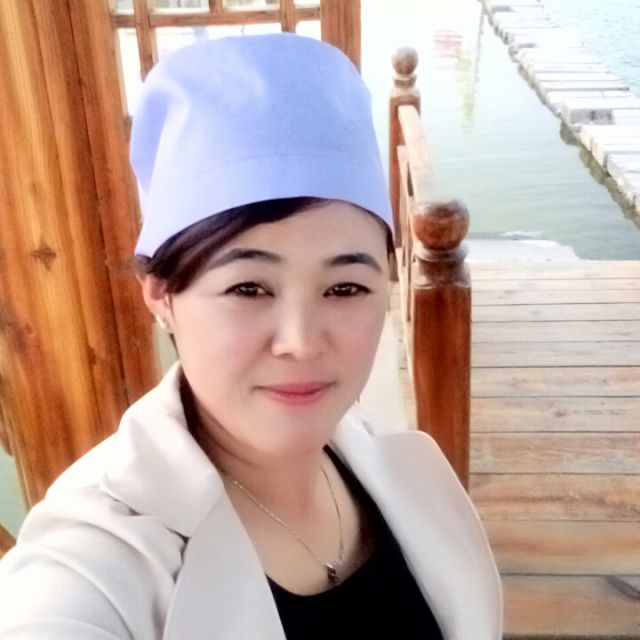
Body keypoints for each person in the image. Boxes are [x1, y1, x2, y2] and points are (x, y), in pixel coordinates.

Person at [0, 34, 502, 639]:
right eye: (248, 288)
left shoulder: (400, 474)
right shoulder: (102, 555)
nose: (301, 342)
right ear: (160, 294)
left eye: (345, 288)